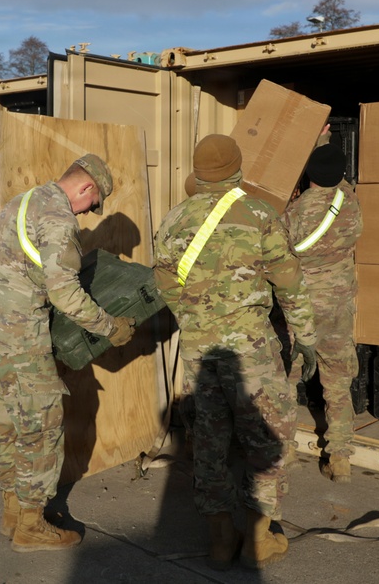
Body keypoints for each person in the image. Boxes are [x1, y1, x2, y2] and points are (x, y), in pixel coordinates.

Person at [153, 134, 317, 570]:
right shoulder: (260, 214)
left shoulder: (173, 220)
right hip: (252, 352)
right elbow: (290, 283)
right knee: (267, 439)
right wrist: (306, 336)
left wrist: (197, 319)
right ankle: (259, 541)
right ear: (237, 168)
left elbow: (165, 285)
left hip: (198, 353)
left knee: (208, 444)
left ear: (198, 171)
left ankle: (221, 539)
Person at [0, 154, 136, 553]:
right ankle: (30, 525)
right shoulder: (59, 219)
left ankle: (14, 509)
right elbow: (65, 293)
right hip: (20, 340)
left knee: (4, 423)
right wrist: (111, 328)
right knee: (40, 429)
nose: (87, 213)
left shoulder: (21, 201)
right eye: (90, 205)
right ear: (85, 188)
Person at [283, 143, 363, 483]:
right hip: (337, 307)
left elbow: (278, 251)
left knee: (286, 376)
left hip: (300, 307)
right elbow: (341, 182)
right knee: (337, 380)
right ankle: (340, 457)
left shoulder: (294, 212)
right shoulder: (351, 204)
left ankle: (283, 450)